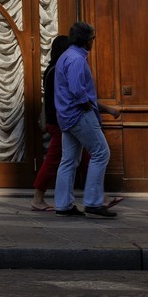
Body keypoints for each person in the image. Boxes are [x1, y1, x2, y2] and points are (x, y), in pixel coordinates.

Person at [53, 21, 123, 219]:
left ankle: (63, 205)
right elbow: (78, 91)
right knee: (101, 153)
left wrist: (103, 108)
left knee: (68, 160)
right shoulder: (77, 60)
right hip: (78, 114)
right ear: (86, 39)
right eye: (92, 37)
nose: (93, 40)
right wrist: (87, 108)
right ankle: (93, 202)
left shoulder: (66, 56)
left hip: (66, 116)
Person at [30, 34, 71, 211]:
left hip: (58, 121)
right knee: (53, 160)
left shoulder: (51, 70)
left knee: (85, 157)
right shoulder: (57, 72)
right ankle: (37, 198)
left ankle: (99, 196)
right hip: (59, 122)